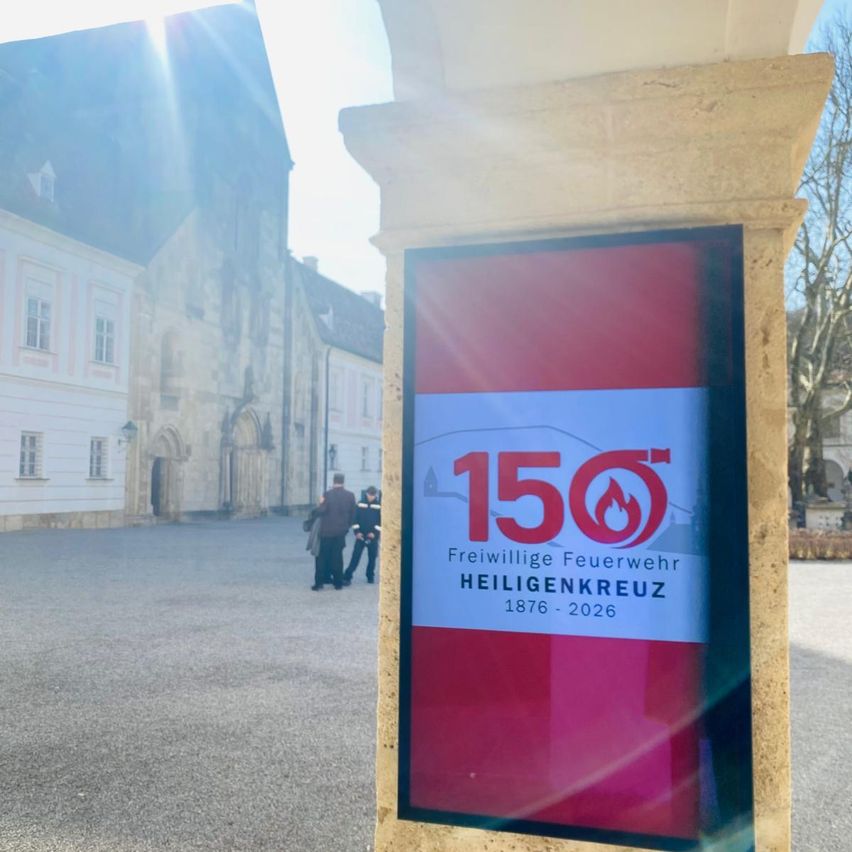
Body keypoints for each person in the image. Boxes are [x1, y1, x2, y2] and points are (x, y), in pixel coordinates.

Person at [312, 472, 356, 590]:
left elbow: (322, 510)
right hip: (341, 532)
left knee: (321, 557)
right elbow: (353, 514)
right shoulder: (350, 495)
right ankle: (338, 583)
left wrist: (320, 504)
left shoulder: (328, 494)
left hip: (326, 531)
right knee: (337, 557)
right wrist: (347, 527)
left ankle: (319, 583)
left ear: (333, 481)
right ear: (343, 481)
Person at [343, 486, 381, 585]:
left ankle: (370, 576)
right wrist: (357, 532)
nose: (371, 497)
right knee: (355, 556)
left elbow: (381, 523)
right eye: (370, 494)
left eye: (373, 495)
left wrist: (375, 533)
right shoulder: (360, 504)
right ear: (366, 493)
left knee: (372, 558)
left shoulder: (379, 505)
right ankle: (347, 576)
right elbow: (354, 520)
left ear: (375, 495)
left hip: (373, 537)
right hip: (361, 535)